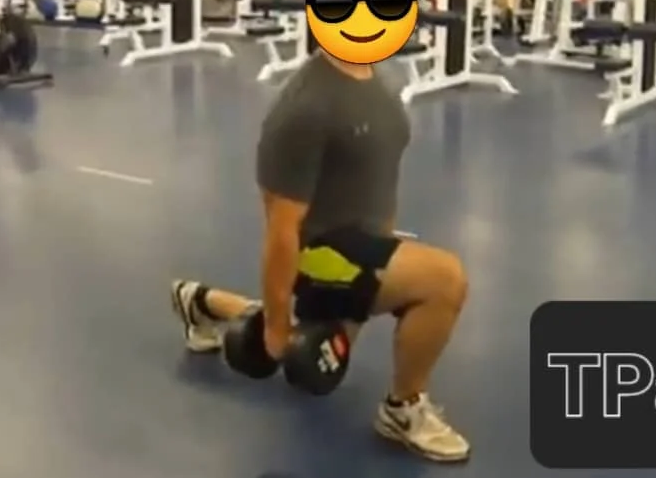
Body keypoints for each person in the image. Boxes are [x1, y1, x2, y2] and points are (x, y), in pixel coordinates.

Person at [169, 50, 470, 463]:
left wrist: (383, 245)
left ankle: (202, 302)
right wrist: (276, 326)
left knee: (316, 353)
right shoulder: (304, 108)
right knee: (444, 279)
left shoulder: (368, 73)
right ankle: (403, 409)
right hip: (323, 258)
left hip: (361, 247)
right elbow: (282, 231)